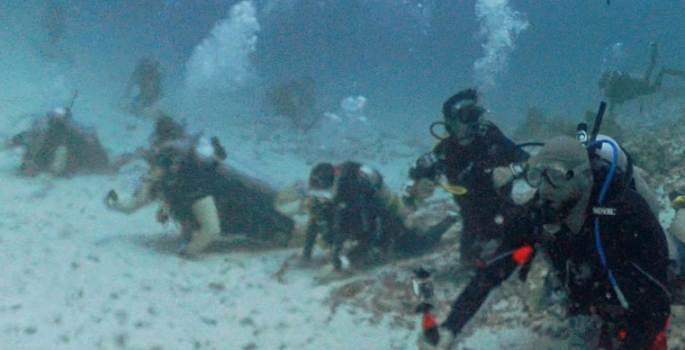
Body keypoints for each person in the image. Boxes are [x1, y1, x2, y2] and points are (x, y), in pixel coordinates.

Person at [419, 136, 685, 350]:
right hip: (588, 275)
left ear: (583, 177)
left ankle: (682, 205)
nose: (544, 190)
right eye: (536, 177)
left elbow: (655, 305)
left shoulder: (625, 211)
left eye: (554, 176)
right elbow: (493, 272)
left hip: (642, 268)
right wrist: (451, 327)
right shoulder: (535, 213)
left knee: (684, 269)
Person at [105, 139, 297, 257]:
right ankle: (296, 201)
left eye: (156, 165)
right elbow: (134, 204)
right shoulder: (163, 183)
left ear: (171, 168)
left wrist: (186, 252)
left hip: (246, 214)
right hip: (234, 217)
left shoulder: (191, 188)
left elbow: (211, 230)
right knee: (282, 215)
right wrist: (115, 204)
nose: (149, 171)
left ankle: (300, 202)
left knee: (283, 230)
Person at [405, 89, 530, 265]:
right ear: (450, 123)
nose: (474, 122)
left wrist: (512, 170)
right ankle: (450, 221)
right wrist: (420, 186)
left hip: (505, 211)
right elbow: (415, 181)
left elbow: (527, 161)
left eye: (476, 115)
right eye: (467, 117)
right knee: (469, 264)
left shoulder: (491, 137)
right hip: (472, 222)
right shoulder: (444, 151)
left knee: (528, 245)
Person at [302, 161, 455, 271]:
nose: (321, 201)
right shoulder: (337, 198)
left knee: (416, 244)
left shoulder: (351, 196)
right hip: (375, 210)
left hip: (384, 215)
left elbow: (369, 226)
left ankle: (451, 217)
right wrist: (307, 255)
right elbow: (317, 221)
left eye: (322, 194)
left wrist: (346, 256)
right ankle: (414, 198)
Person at [4, 105, 112, 177]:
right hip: (47, 160)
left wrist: (53, 173)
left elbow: (62, 161)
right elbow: (17, 140)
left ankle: (105, 163)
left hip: (69, 160)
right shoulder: (38, 134)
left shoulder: (66, 139)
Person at [598, 42, 685, 108]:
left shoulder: (611, 91)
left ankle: (654, 49)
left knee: (653, 78)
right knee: (652, 72)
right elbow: (625, 94)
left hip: (640, 86)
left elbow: (627, 93)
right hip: (638, 85)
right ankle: (654, 48)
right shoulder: (612, 90)